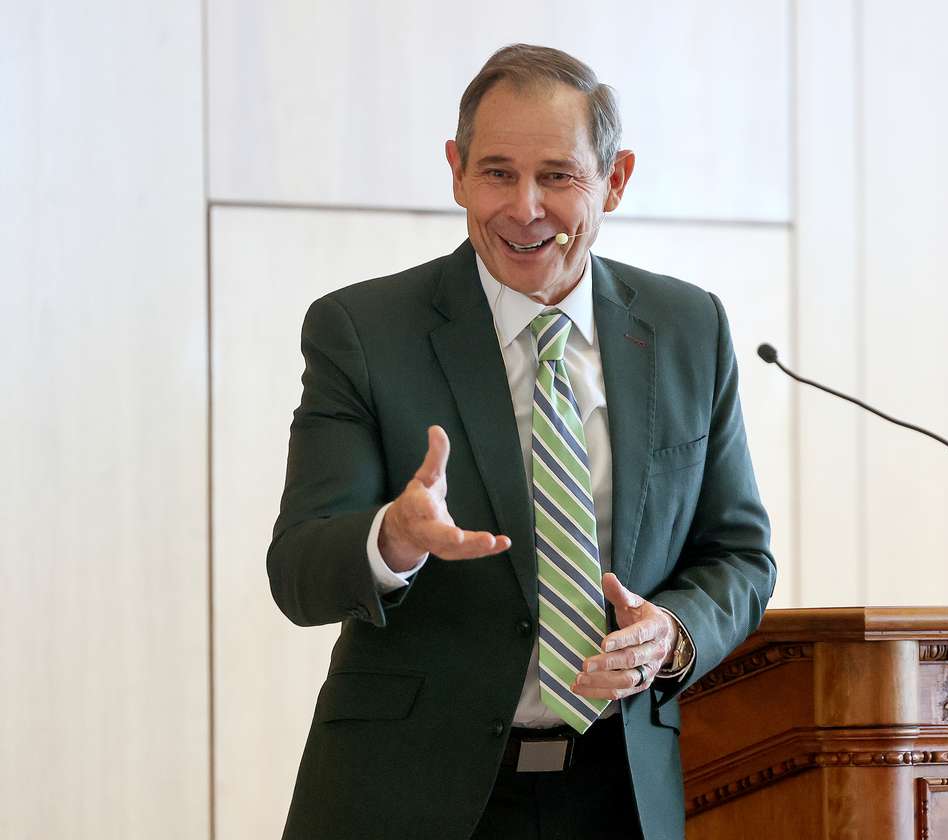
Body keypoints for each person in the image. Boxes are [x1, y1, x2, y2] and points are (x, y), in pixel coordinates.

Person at [268, 44, 775, 840]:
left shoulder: (688, 329)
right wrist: (390, 541)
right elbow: (297, 572)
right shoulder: (363, 332)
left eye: (558, 176)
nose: (524, 207)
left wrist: (668, 635)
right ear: (456, 171)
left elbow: (740, 556)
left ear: (615, 179)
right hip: (406, 794)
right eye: (497, 172)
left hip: (622, 795)